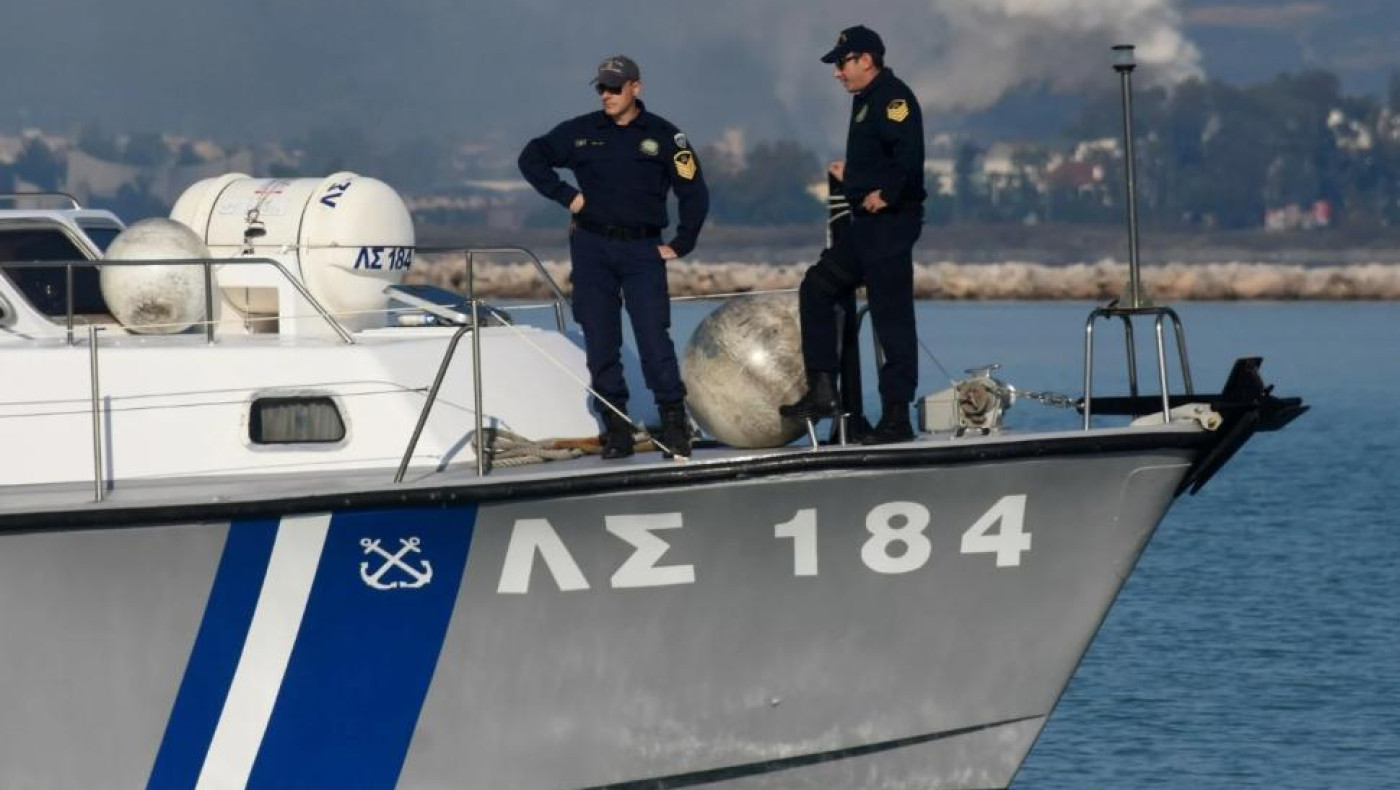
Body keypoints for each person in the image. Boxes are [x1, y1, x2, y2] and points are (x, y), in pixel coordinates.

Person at [518, 55, 709, 459]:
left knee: (654, 339)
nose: (607, 95)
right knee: (602, 342)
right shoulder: (582, 131)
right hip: (591, 249)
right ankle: (616, 427)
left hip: (643, 250)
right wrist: (566, 196)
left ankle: (675, 424)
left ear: (635, 88)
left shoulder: (665, 136)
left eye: (614, 88)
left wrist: (682, 242)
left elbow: (694, 190)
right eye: (601, 88)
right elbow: (531, 157)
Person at [780, 25, 926, 444]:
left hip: (890, 224)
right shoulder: (866, 100)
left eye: (842, 63)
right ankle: (824, 391)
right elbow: (880, 154)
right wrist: (854, 176)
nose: (836, 73)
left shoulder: (893, 97)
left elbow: (909, 155)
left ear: (866, 60)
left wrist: (888, 194)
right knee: (818, 286)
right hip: (866, 226)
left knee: (890, 316)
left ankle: (896, 417)